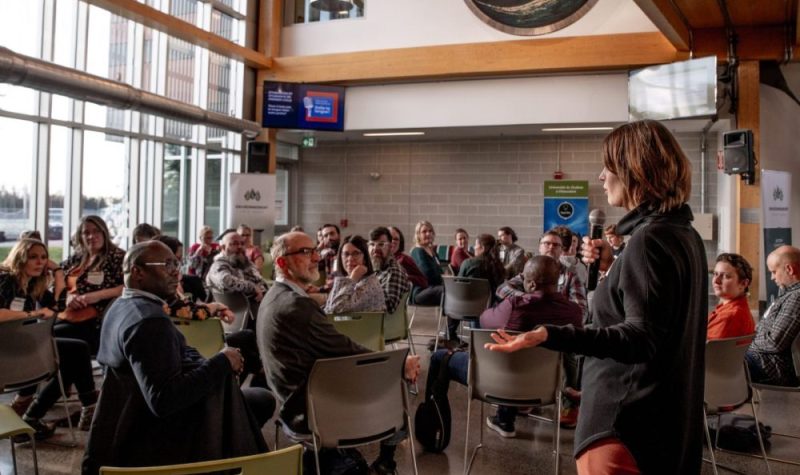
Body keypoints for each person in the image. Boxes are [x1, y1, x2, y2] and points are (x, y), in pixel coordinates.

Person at [485, 120, 708, 475]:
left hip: (625, 425)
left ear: (635, 170)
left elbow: (640, 337)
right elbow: (656, 318)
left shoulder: (648, 241)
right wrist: (613, 269)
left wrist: (549, 333)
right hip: (667, 424)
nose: (602, 177)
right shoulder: (684, 235)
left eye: (608, 167)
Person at [82, 241, 270, 474]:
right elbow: (164, 399)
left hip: (125, 424)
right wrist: (222, 361)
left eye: (176, 264)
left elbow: (169, 354)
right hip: (156, 438)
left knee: (254, 400)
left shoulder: (121, 305)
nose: (176, 272)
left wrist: (208, 361)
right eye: (167, 265)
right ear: (138, 272)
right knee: (258, 401)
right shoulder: (149, 321)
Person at [257, 231, 420, 475]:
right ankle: (386, 463)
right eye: (305, 252)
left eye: (314, 250)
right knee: (399, 382)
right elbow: (344, 350)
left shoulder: (276, 296)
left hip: (300, 396)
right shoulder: (296, 306)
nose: (315, 257)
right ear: (282, 263)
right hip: (312, 407)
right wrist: (401, 364)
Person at [428, 256, 582, 438]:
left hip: (496, 380)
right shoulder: (574, 312)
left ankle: (433, 432)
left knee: (440, 357)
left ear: (531, 285)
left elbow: (484, 319)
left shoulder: (515, 306)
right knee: (515, 355)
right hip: (547, 387)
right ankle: (505, 417)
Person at [1, 239, 99, 438]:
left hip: (23, 346)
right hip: (6, 350)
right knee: (74, 351)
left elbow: (58, 307)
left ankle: (30, 412)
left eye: (44, 258)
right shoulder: (5, 279)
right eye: (33, 257)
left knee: (75, 352)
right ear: (20, 258)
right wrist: (32, 315)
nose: (40, 262)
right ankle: (32, 411)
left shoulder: (32, 285)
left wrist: (59, 273)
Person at [55, 215, 125, 353]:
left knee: (50, 337)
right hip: (65, 314)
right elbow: (55, 281)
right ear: (80, 236)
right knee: (38, 333)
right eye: (86, 232)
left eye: (96, 231)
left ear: (104, 233)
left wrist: (95, 296)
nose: (92, 236)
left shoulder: (117, 257)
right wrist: (68, 296)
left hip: (95, 322)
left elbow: (129, 287)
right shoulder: (77, 257)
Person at [745, 245, 800, 386]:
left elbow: (775, 342)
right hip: (766, 361)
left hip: (772, 367)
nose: (772, 277)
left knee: (715, 362)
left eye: (774, 272)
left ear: (789, 269)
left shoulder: (796, 297)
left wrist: (746, 341)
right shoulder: (789, 294)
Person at [205, 230, 269, 315]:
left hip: (259, 309)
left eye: (242, 244)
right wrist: (252, 287)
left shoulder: (245, 263)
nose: (239, 246)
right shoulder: (218, 265)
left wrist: (263, 290)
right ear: (223, 248)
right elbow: (225, 280)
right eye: (234, 244)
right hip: (236, 314)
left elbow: (260, 280)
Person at [323, 235, 386, 314]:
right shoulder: (349, 279)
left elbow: (335, 310)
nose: (350, 258)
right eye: (346, 254)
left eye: (355, 253)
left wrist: (352, 278)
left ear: (365, 258)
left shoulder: (369, 284)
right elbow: (328, 309)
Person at [707, 253, 756, 340]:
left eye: (725, 276)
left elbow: (704, 351)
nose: (716, 281)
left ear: (743, 283)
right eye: (715, 274)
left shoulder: (729, 316)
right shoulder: (736, 309)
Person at [368, 227, 411, 315]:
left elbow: (389, 306)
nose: (375, 249)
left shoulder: (393, 272)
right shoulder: (378, 269)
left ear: (391, 247)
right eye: (372, 244)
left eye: (381, 244)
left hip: (381, 325)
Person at [458, 233, 505, 299]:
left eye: (475, 245)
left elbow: (458, 285)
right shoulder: (498, 265)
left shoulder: (468, 263)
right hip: (490, 305)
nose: (474, 247)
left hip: (467, 303)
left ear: (482, 248)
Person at [410, 220, 444, 307]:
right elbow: (427, 274)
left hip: (435, 288)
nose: (428, 234)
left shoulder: (433, 252)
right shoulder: (418, 251)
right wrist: (441, 277)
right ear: (418, 235)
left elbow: (440, 271)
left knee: (454, 292)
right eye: (424, 232)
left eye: (430, 231)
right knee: (448, 292)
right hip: (421, 292)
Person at [388, 226, 428, 290]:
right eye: (389, 238)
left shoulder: (404, 259)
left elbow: (423, 281)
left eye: (396, 239)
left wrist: (405, 277)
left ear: (400, 242)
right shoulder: (378, 259)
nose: (393, 241)